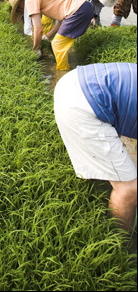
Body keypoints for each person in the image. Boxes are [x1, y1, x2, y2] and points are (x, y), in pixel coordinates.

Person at [53, 62, 137, 232]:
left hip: (78, 81)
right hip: (83, 105)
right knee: (129, 188)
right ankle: (121, 244)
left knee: (129, 162)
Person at [9, 0, 94, 70]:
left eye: (20, 10)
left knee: (57, 44)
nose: (23, 12)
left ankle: (62, 71)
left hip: (79, 8)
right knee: (62, 42)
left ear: (21, 4)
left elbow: (38, 29)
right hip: (87, 4)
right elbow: (62, 21)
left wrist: (36, 49)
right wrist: (47, 36)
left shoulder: (29, 1)